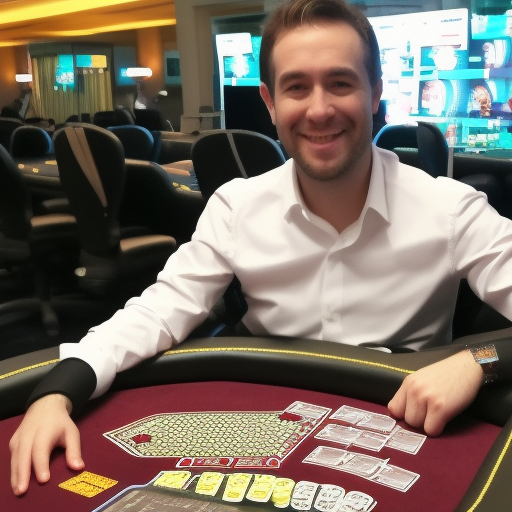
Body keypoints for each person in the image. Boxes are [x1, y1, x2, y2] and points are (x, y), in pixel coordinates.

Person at [9, 0, 512, 496]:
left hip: (403, 424)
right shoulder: (236, 206)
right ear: (270, 102)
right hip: (267, 414)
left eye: (341, 83)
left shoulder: (451, 208)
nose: (319, 109)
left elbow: (492, 350)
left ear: (376, 92)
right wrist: (59, 388)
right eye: (297, 87)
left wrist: (481, 359)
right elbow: (159, 311)